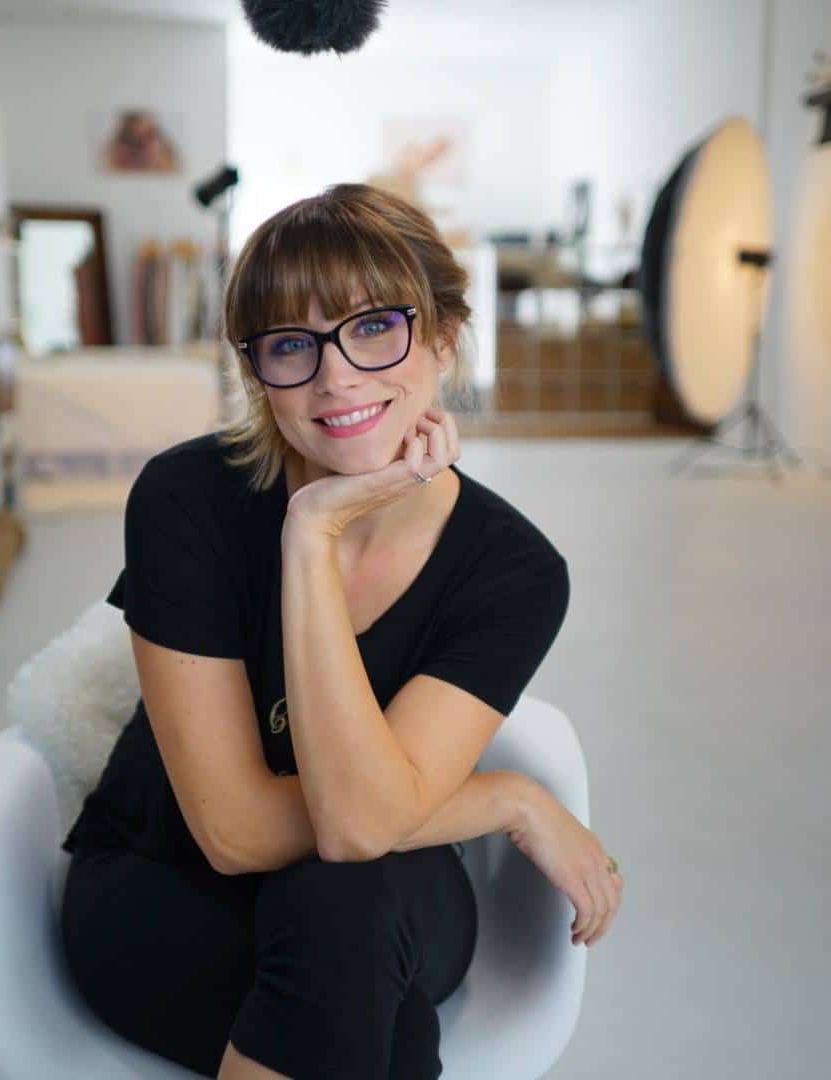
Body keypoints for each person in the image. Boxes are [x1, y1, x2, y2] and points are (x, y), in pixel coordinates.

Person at [59, 183, 624, 1080]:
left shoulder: (514, 569)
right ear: (257, 374)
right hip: (169, 883)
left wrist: (313, 536)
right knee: (379, 1026)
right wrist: (505, 799)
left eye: (373, 328)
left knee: (342, 897)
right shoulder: (187, 499)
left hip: (388, 891)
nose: (336, 377)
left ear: (442, 337)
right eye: (292, 344)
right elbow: (235, 835)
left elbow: (360, 831)